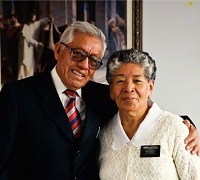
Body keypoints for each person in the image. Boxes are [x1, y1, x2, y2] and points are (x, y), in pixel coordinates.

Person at [0, 21, 199, 179]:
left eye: (94, 60)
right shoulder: (17, 97)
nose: (84, 65)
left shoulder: (101, 96)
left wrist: (186, 126)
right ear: (59, 50)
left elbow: (139, 110)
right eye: (78, 54)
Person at [99, 49, 200, 179]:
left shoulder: (175, 129)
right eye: (120, 81)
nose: (129, 88)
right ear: (111, 90)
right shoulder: (103, 135)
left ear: (150, 88)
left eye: (137, 81)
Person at [17, 13, 51, 80]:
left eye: (34, 20)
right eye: (32, 20)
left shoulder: (33, 25)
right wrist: (37, 43)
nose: (33, 21)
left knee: (30, 65)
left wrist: (48, 19)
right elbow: (28, 39)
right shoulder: (25, 27)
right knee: (23, 65)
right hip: (24, 49)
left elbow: (40, 22)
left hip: (30, 49)